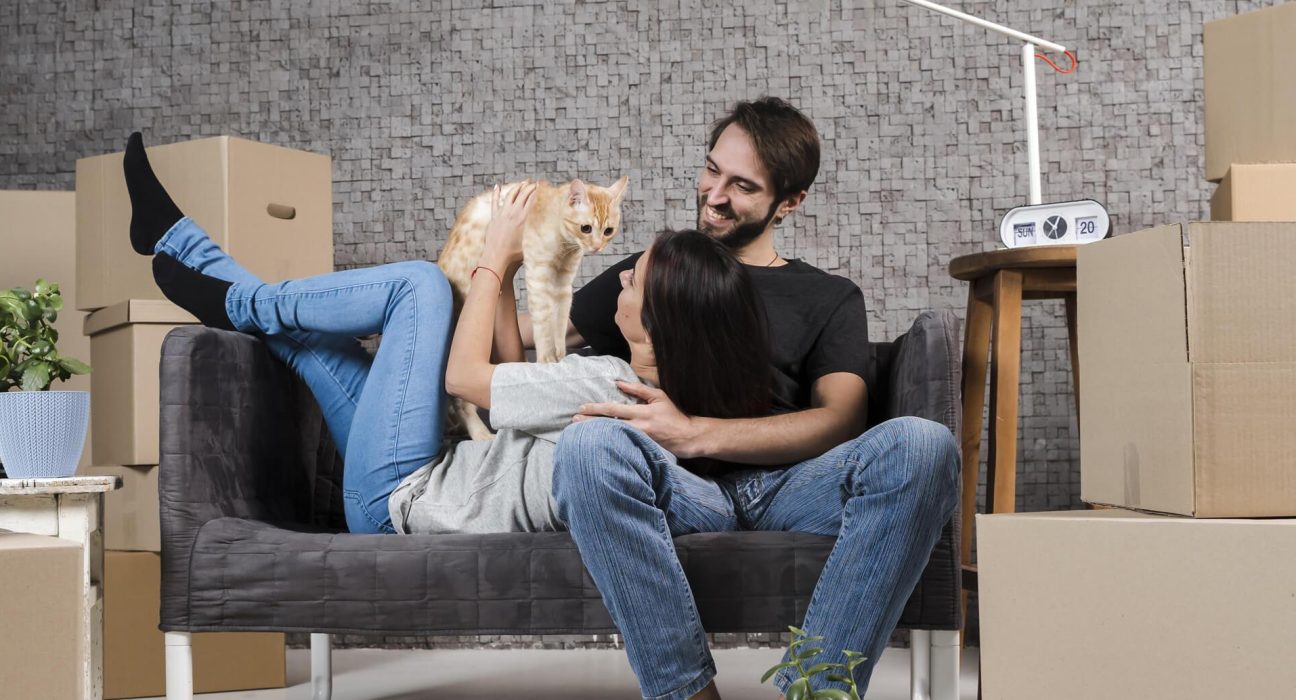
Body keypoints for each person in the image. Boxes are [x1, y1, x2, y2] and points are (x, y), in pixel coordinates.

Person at [120, 133, 775, 537]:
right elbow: (511, 385)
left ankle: (236, 299)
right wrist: (509, 273)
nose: (622, 276)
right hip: (418, 474)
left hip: (399, 497)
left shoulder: (608, 383)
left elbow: (465, 378)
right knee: (315, 341)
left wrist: (491, 258)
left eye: (635, 280)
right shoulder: (631, 392)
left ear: (659, 321)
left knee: (421, 287)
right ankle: (180, 243)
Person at [544, 98, 960, 699]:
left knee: (923, 444)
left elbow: (842, 418)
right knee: (588, 447)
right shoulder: (650, 270)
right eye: (712, 170)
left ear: (789, 202)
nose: (713, 195)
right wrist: (498, 259)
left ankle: (815, 692)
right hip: (680, 488)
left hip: (794, 486)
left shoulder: (828, 296)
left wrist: (696, 431)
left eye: (742, 186)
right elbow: (528, 341)